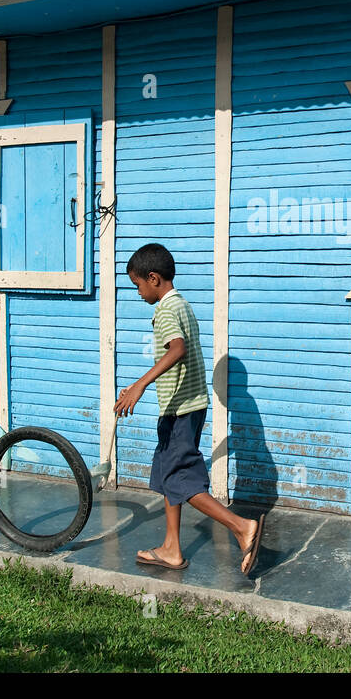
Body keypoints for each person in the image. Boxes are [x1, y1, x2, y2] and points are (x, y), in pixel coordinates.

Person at [115, 243, 264, 575]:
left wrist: (140, 385)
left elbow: (177, 350)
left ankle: (241, 527)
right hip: (185, 407)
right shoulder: (182, 305)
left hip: (181, 409)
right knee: (168, 475)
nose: (138, 293)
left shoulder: (167, 310)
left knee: (181, 480)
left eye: (137, 285)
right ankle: (171, 547)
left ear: (153, 278)